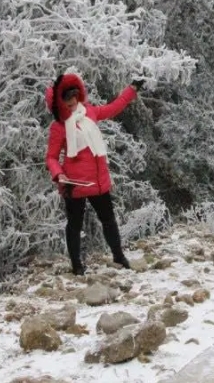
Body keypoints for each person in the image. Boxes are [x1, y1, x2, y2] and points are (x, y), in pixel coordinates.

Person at [45, 73, 145, 275]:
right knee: (74, 225)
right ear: (60, 103)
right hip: (73, 184)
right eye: (68, 100)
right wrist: (59, 175)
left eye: (74, 96)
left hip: (98, 181)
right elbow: (51, 158)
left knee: (108, 219)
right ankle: (77, 266)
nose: (72, 102)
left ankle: (119, 256)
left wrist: (132, 89)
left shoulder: (89, 113)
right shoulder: (59, 127)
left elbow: (114, 107)